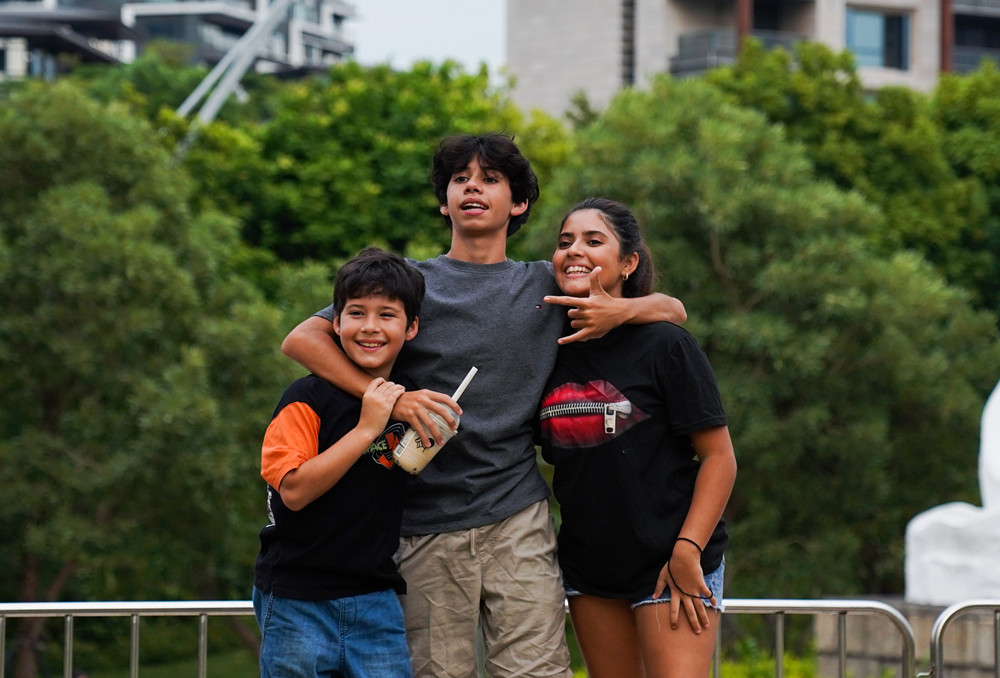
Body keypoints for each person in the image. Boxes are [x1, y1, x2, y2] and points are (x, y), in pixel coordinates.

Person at [280, 133, 687, 678]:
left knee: (536, 672)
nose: (473, 186)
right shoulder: (407, 283)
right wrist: (391, 400)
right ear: (444, 202)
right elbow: (301, 340)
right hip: (420, 522)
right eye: (460, 179)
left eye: (490, 179)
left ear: (517, 203)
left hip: (516, 515)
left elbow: (673, 309)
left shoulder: (546, 283)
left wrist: (621, 312)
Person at [537, 198, 737, 678]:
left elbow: (719, 458)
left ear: (629, 263)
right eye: (565, 242)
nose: (575, 250)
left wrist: (688, 548)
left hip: (671, 558)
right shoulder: (546, 349)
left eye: (593, 239)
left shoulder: (666, 345)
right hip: (590, 566)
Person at [253, 247, 424, 678]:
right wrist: (367, 427)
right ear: (336, 323)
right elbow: (292, 492)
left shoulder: (410, 398)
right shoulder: (304, 398)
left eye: (387, 315)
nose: (370, 327)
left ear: (411, 327)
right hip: (298, 597)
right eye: (356, 313)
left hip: (376, 597)